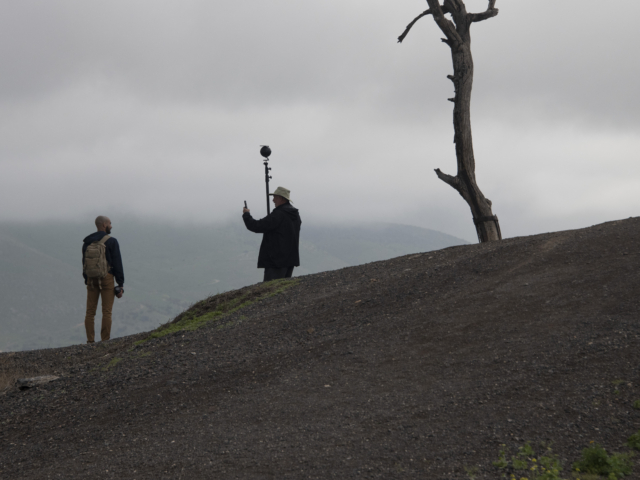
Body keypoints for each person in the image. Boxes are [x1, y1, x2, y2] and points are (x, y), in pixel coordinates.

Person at [243, 186, 301, 282]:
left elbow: (257, 226)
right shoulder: (295, 215)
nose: (273, 200)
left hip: (276, 261)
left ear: (281, 198)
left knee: (271, 288)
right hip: (290, 260)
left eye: (275, 197)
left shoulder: (279, 214)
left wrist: (246, 215)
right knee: (284, 288)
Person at [82, 216, 125, 344]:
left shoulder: (87, 242)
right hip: (107, 278)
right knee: (106, 311)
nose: (111, 226)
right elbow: (117, 263)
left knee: (90, 312)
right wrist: (120, 284)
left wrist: (87, 279)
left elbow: (84, 263)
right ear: (104, 225)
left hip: (91, 279)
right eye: (110, 223)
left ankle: (90, 341)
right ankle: (105, 341)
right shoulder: (112, 241)